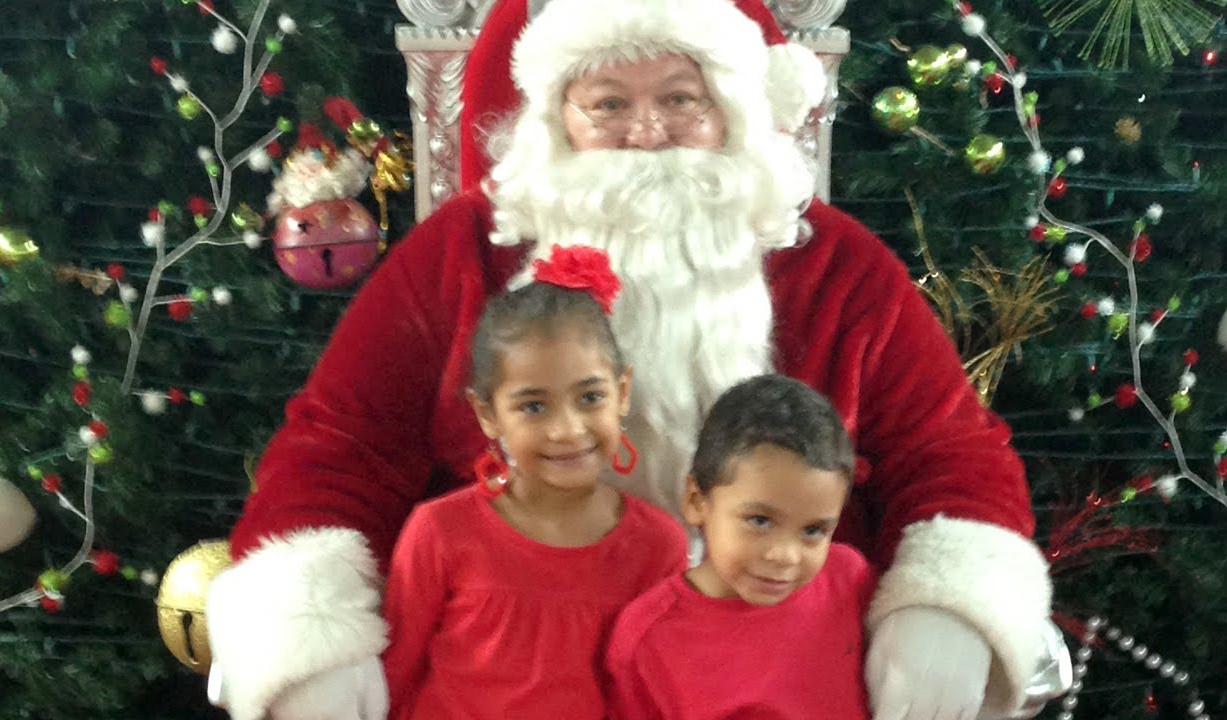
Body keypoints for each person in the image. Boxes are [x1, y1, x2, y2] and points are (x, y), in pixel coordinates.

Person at [205, 1, 1054, 720]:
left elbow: (948, 449)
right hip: (517, 659)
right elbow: (341, 443)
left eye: (681, 99)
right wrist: (309, 627)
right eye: (608, 103)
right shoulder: (461, 251)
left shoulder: (834, 263)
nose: (647, 134)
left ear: (731, 111)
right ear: (557, 121)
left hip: (771, 658)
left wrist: (944, 606)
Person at [379, 244, 687, 719]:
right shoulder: (438, 531)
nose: (568, 430)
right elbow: (394, 677)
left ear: (622, 392)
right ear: (488, 414)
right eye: (534, 406)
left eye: (590, 397)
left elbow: (652, 695)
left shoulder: (658, 546)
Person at [605, 374, 875, 720]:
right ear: (696, 501)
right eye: (760, 521)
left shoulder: (849, 581)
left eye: (813, 530)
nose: (785, 555)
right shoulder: (648, 637)